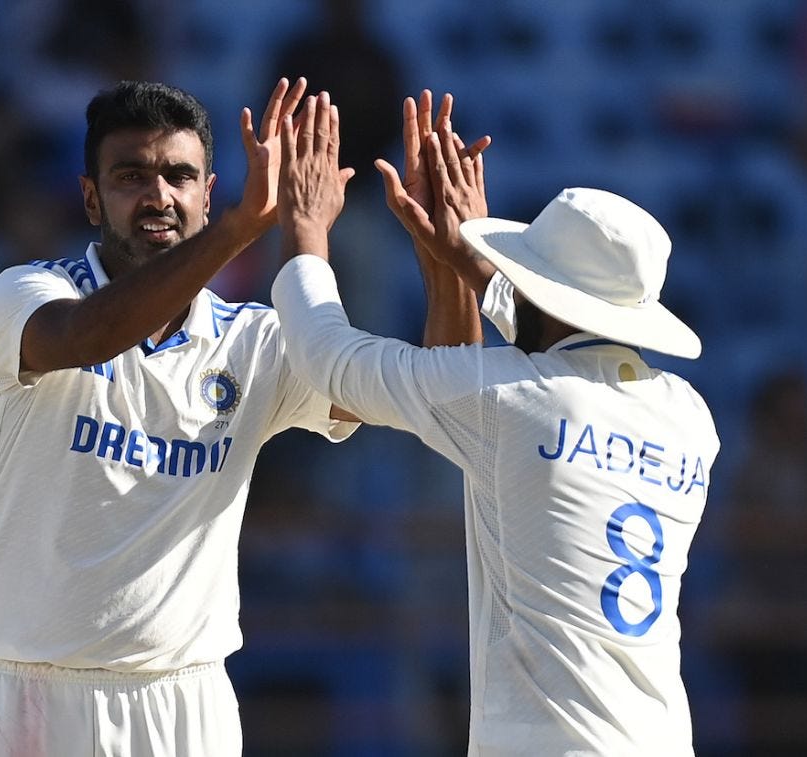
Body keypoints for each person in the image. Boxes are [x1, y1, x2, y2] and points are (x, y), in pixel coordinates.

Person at [271, 93, 720, 754]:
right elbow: (553, 353)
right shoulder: (690, 416)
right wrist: (473, 265)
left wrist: (306, 228)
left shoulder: (508, 400)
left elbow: (326, 355)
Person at [0, 78, 362, 756]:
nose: (158, 195)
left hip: (184, 702)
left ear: (206, 189)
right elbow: (87, 337)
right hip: (24, 698)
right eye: (131, 176)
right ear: (90, 197)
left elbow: (374, 390)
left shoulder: (250, 341)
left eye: (179, 175)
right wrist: (239, 229)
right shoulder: (21, 295)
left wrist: (439, 262)